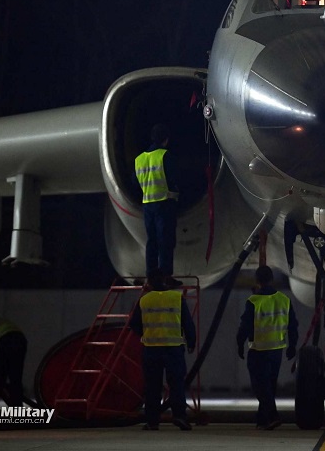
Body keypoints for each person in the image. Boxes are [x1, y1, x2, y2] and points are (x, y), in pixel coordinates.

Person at [129, 267, 196, 431]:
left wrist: (147, 334)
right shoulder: (176, 298)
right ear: (165, 280)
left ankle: (152, 421)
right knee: (176, 385)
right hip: (173, 349)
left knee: (152, 386)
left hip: (151, 349)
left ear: (149, 282)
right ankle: (179, 416)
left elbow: (134, 324)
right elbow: (187, 323)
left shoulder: (144, 300)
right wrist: (191, 342)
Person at [236, 266, 298, 430]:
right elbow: (293, 325)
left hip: (259, 350)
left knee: (260, 386)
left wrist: (239, 343)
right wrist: (293, 345)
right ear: (272, 279)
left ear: (257, 280)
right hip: (277, 350)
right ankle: (262, 419)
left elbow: (245, 327)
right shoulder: (284, 299)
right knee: (269, 385)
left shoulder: (254, 301)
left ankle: (272, 416)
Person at [134, 123, 180, 276]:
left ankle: (151, 275)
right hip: (164, 203)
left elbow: (136, 182)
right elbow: (175, 179)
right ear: (166, 139)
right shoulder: (165, 156)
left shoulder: (139, 159)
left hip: (147, 204)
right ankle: (165, 275)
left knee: (151, 241)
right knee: (165, 241)